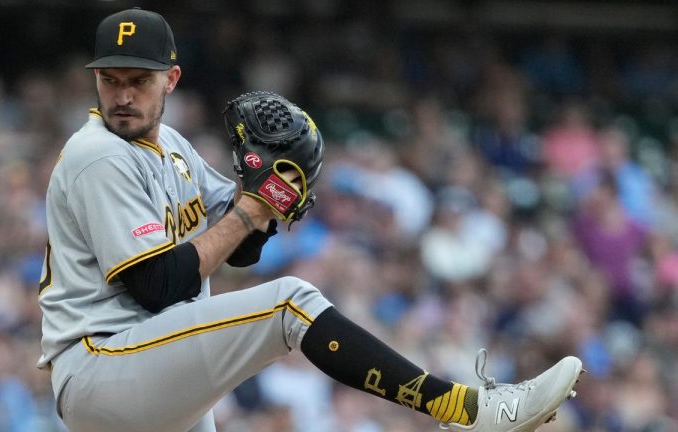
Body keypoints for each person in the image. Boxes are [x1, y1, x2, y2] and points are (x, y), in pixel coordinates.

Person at [38, 8, 584, 432]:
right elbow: (157, 285)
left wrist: (269, 197)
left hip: (146, 364)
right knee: (290, 304)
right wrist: (256, 206)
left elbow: (242, 243)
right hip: (103, 364)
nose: (124, 94)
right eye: (111, 80)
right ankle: (469, 409)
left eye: (139, 79)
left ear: (171, 79)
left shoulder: (171, 147)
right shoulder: (99, 155)